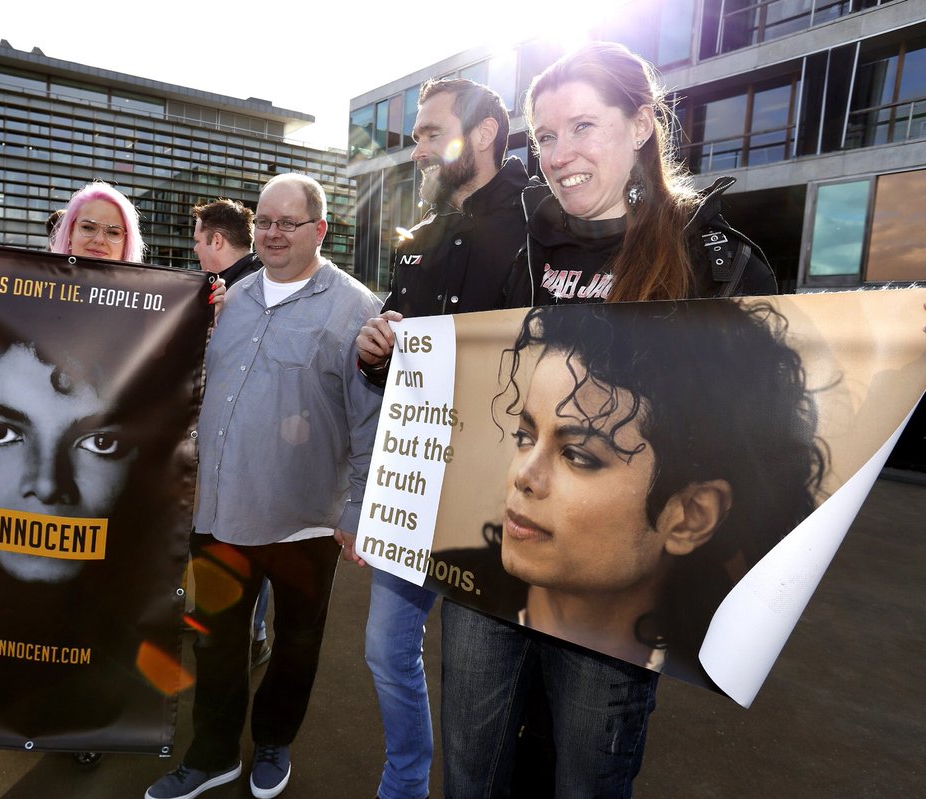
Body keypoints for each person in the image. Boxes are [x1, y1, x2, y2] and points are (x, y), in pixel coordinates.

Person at [437, 42, 778, 798]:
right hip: (494, 557)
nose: (560, 155)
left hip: (611, 594)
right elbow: (471, 374)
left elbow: (751, 433)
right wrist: (392, 354)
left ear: (640, 124)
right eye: (547, 136)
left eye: (582, 127)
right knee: (468, 770)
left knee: (586, 778)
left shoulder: (715, 261)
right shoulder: (518, 241)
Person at [146, 174, 383, 799]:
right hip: (219, 512)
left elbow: (369, 419)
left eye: (288, 223)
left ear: (320, 231)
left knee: (298, 641)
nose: (273, 234)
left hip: (305, 520)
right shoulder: (231, 300)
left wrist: (357, 508)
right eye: (264, 222)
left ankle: (274, 740)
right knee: (217, 641)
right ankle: (213, 754)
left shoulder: (356, 309)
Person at [0, 183, 145, 796]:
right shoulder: (20, 294)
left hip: (97, 512)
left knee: (87, 621)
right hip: (2, 513)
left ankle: (80, 727)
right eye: (86, 227)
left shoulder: (151, 310)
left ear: (129, 241)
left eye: (112, 230)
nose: (98, 239)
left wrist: (206, 314)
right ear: (66, 231)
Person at [351, 77, 531, 799]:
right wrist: (371, 352)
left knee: (480, 678)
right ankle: (404, 785)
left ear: (483, 134)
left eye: (431, 133)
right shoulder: (417, 239)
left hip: (501, 492)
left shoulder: (540, 222)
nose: (419, 148)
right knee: (383, 648)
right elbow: (391, 354)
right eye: (417, 135)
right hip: (415, 478)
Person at [492, 301, 825, 677]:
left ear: (691, 518)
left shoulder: (707, 660)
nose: (524, 475)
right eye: (525, 436)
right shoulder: (464, 578)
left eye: (578, 456)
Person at [190, 197, 271, 668]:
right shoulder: (218, 289)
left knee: (247, 546)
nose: (196, 251)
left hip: (246, 452)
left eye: (199, 241)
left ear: (217, 240)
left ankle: (250, 632)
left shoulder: (253, 291)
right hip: (220, 446)